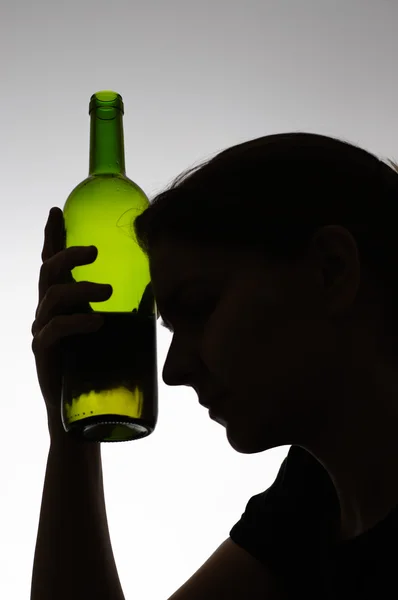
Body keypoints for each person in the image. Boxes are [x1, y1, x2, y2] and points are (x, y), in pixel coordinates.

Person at [31, 132, 398, 599]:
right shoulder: (308, 503)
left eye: (199, 307)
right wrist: (71, 428)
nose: (173, 370)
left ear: (331, 270)